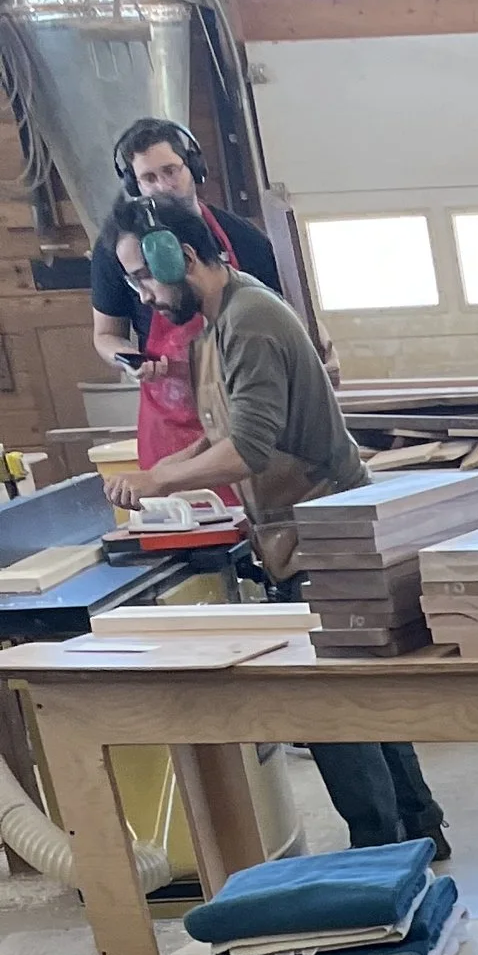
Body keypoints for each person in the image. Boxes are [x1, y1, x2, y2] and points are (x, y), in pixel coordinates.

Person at [106, 202, 444, 857]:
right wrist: (153, 473)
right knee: (356, 691)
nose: (143, 296)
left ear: (181, 256)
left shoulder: (250, 322)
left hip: (328, 533)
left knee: (322, 706)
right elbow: (219, 432)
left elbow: (247, 453)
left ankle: (379, 853)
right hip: (308, 531)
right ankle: (418, 825)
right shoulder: (220, 321)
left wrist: (157, 483)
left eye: (144, 278)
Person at [87, 117, 293, 380]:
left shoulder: (244, 237)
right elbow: (106, 334)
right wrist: (128, 358)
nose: (163, 186)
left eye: (170, 171)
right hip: (167, 398)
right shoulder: (116, 250)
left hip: (242, 384)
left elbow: (287, 308)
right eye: (149, 178)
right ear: (134, 185)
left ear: (193, 168)